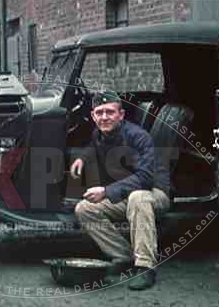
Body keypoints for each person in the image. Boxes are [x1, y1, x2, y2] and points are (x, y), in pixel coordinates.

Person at [71, 90, 170, 290]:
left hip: (154, 192)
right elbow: (93, 144)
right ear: (93, 116)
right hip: (126, 194)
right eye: (99, 113)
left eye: (110, 112)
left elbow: (145, 178)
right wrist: (82, 157)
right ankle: (123, 256)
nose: (104, 117)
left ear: (121, 115)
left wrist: (106, 192)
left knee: (138, 197)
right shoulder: (99, 133)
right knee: (84, 208)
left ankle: (145, 267)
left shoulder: (138, 137)